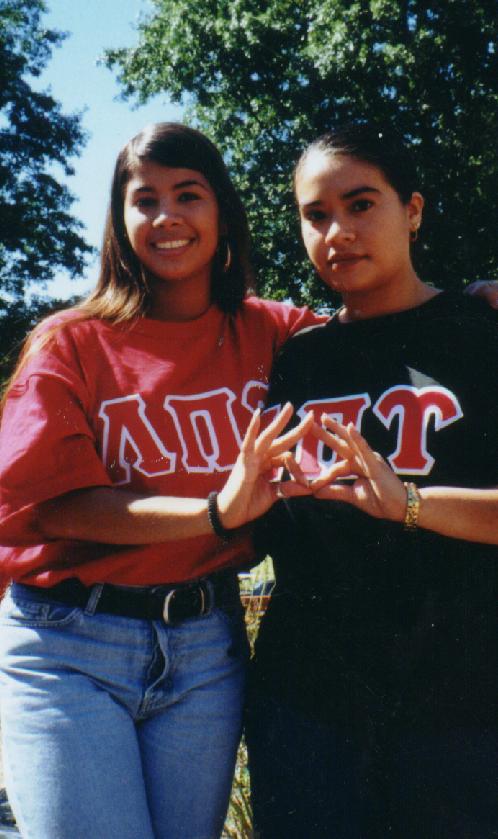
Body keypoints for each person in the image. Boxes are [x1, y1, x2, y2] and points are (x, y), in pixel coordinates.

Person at [0, 122, 318, 839]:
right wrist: (217, 511)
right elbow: (55, 507)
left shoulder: (274, 332)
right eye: (145, 200)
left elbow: (379, 328)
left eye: (188, 194)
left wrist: (465, 301)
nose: (167, 216)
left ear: (222, 212)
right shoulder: (70, 342)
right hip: (69, 647)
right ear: (120, 220)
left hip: (205, 650)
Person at [246, 124, 498, 839]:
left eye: (361, 205)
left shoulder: (479, 333)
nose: (338, 233)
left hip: (460, 699)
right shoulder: (297, 360)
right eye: (316, 215)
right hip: (309, 702)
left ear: (412, 210)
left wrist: (409, 504)